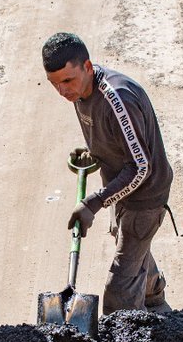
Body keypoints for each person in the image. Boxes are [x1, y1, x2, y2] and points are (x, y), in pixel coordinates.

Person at [41, 32, 173, 314]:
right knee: (129, 241)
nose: (63, 92)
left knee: (119, 293)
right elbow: (117, 137)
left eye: (67, 81)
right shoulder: (80, 91)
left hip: (145, 197)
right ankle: (154, 292)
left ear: (87, 67)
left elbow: (140, 167)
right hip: (120, 187)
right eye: (55, 84)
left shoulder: (117, 98)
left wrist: (94, 202)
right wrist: (96, 151)